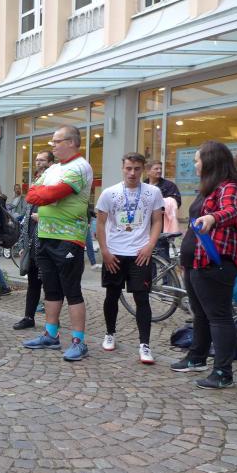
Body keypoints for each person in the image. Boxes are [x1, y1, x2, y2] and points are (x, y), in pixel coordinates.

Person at [170, 141, 237, 389]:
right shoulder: (208, 188)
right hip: (196, 262)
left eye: (197, 160)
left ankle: (223, 372)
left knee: (219, 317)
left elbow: (232, 211)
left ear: (210, 161)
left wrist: (212, 217)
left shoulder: (230, 186)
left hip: (215, 263)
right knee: (199, 314)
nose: (195, 165)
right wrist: (185, 259)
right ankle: (196, 358)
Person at [23, 125, 93, 362]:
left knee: (72, 291)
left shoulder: (80, 167)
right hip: (45, 235)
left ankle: (78, 341)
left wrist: (44, 193)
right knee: (51, 289)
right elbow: (31, 194)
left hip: (69, 238)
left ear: (71, 142)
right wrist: (42, 193)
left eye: (56, 141)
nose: (52, 145)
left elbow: (50, 195)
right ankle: (50, 335)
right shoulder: (53, 168)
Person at [95, 152, 164, 363]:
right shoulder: (109, 193)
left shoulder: (153, 192)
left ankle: (145, 345)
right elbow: (100, 224)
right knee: (112, 295)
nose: (132, 173)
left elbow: (157, 221)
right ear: (122, 168)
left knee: (142, 298)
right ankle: (110, 333)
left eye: (136, 169)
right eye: (128, 168)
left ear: (143, 169)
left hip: (140, 254)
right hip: (115, 253)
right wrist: (104, 251)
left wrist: (150, 246)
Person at [15, 151, 55, 330]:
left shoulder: (55, 185)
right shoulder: (35, 183)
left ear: (51, 163)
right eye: (37, 160)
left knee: (50, 285)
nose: (38, 163)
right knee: (33, 283)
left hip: (48, 243)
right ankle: (28, 317)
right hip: (32, 243)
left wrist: (45, 218)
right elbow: (27, 217)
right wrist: (23, 244)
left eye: (42, 160)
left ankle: (52, 321)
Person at [144, 160, 182, 261]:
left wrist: (162, 207)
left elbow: (176, 201)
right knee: (147, 255)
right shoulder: (142, 185)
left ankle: (166, 271)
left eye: (160, 168)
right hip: (145, 225)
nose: (159, 171)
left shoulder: (169, 186)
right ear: (148, 171)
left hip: (161, 224)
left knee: (162, 253)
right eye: (156, 168)